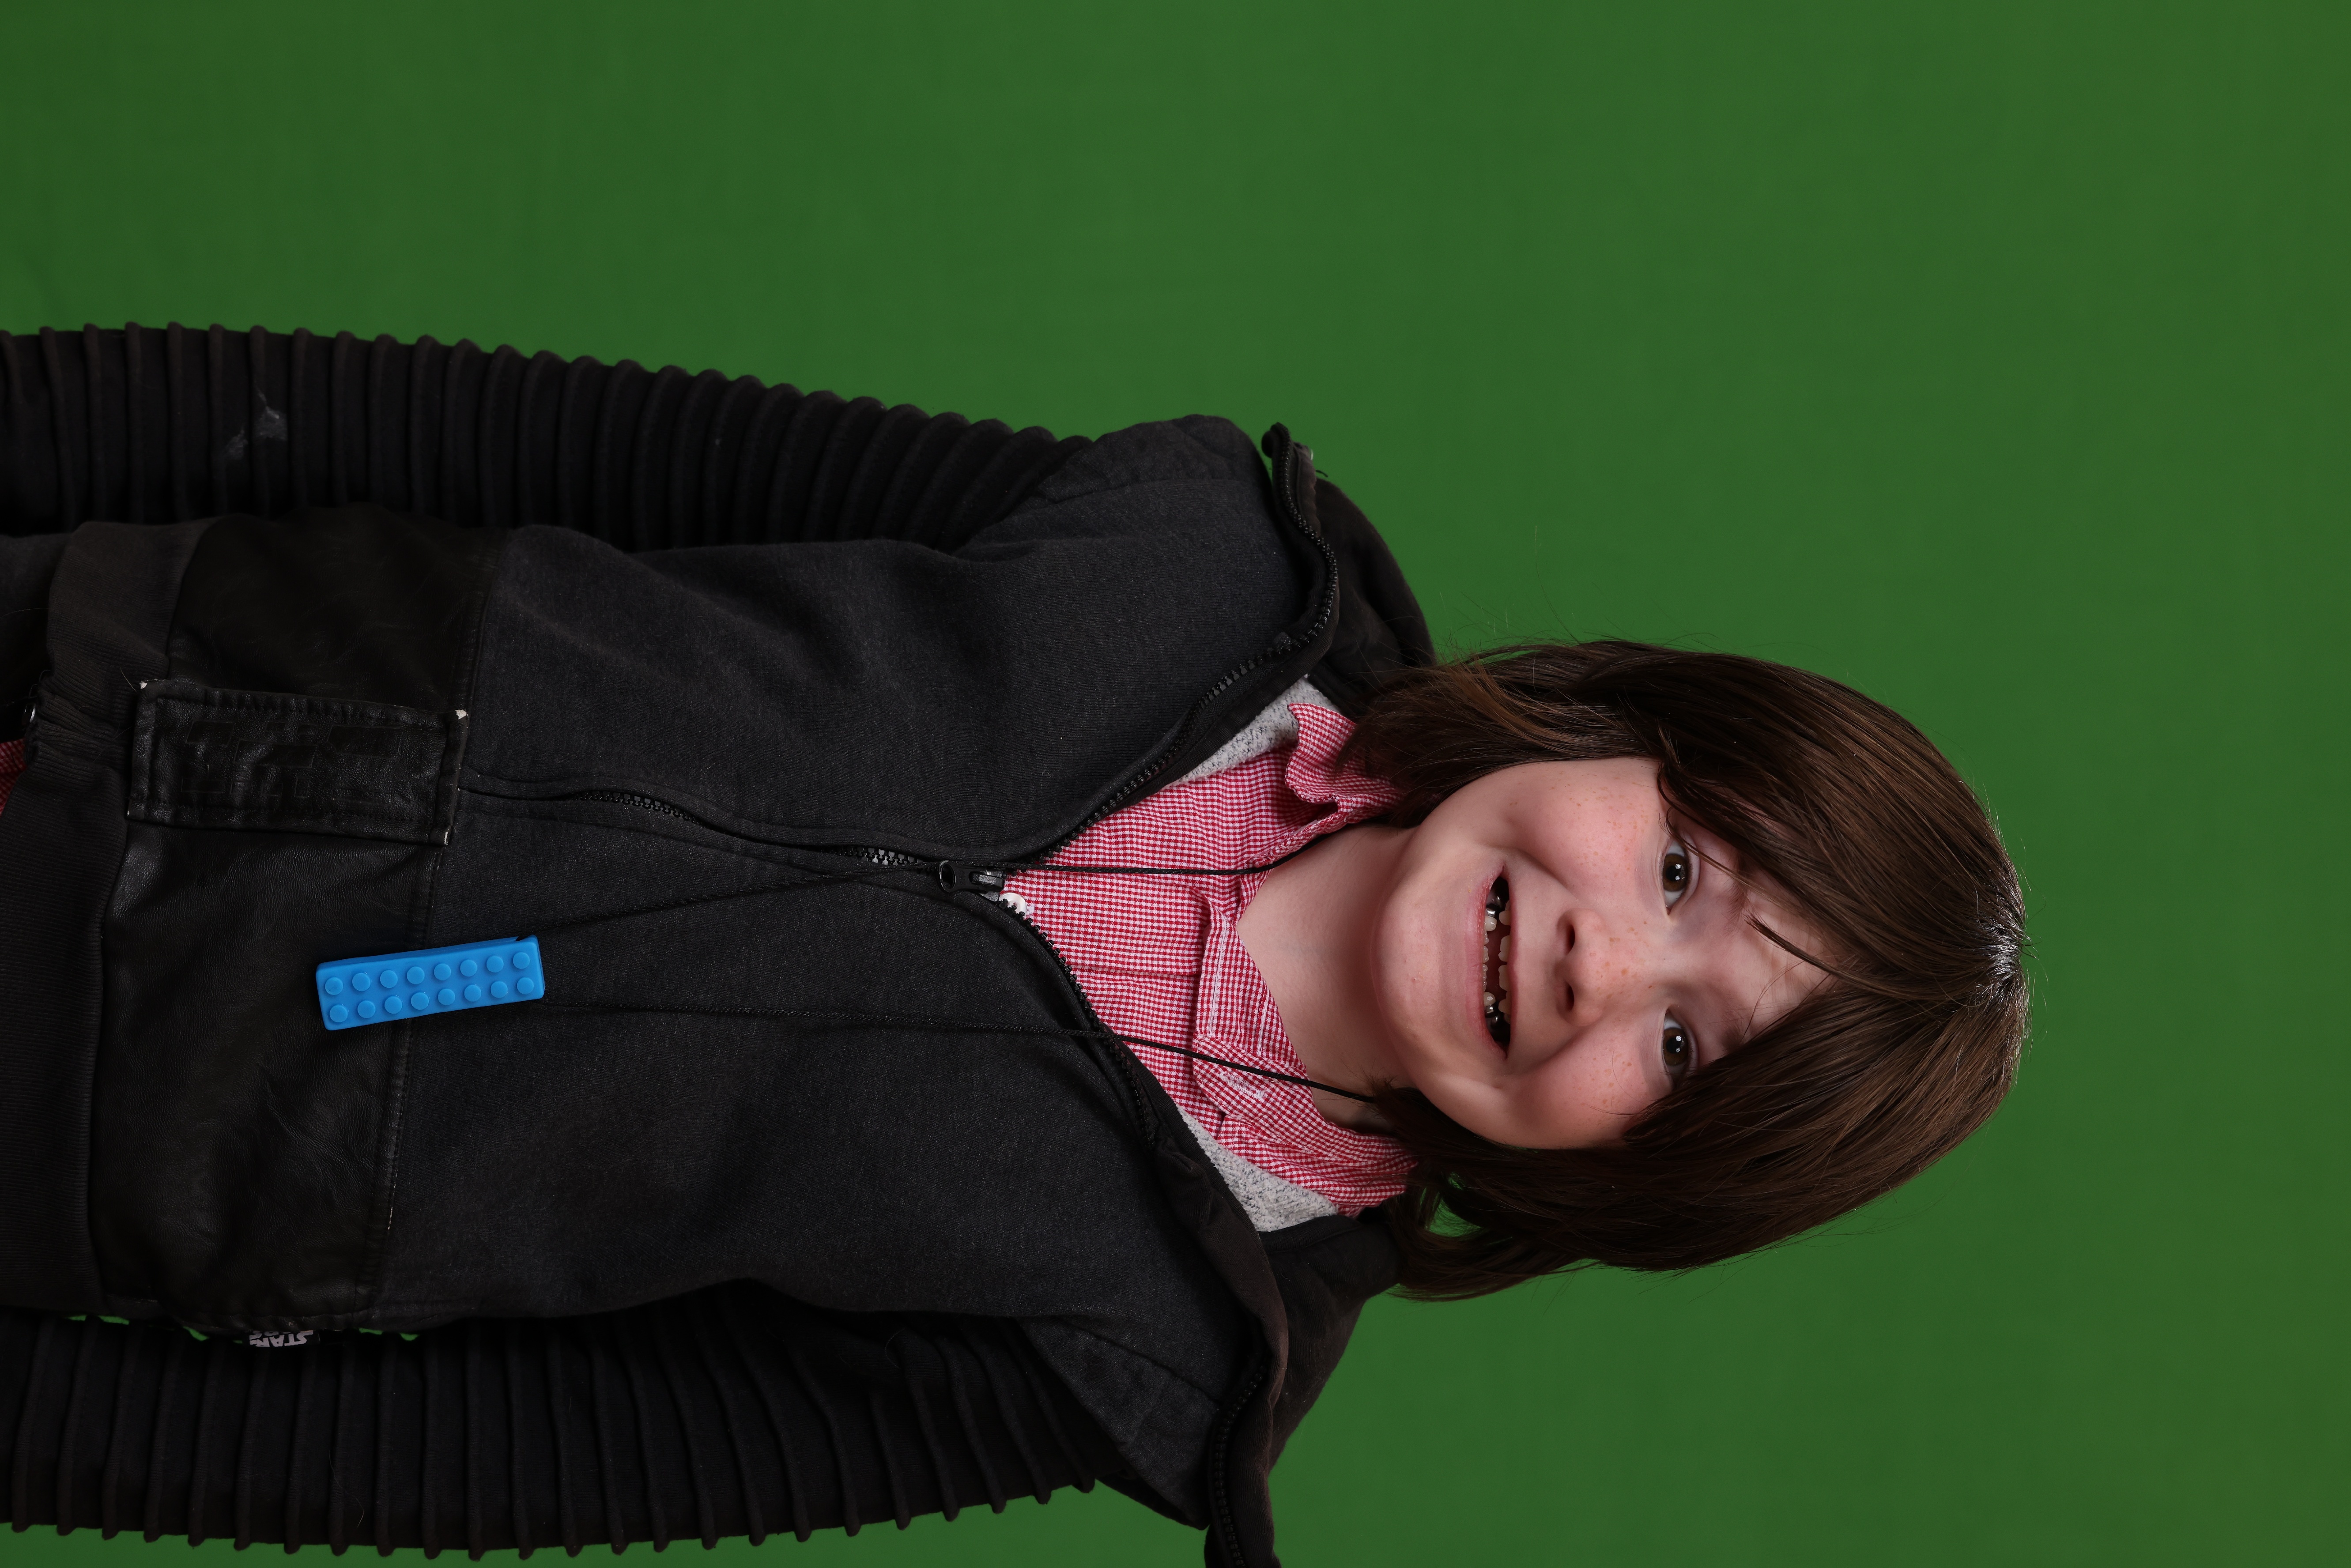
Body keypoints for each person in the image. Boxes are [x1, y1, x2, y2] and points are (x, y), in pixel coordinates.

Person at [0, 325, 2027, 1564]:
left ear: (1628, 1183)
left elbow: (485, 1464)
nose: (1609, 965)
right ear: (1619, 733)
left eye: (1683, 1052)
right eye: (1680, 872)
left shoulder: (1147, 1352)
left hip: (69, 1126)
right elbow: (550, 441)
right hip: (92, 646)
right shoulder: (1199, 562)